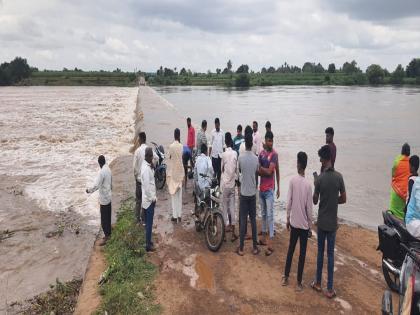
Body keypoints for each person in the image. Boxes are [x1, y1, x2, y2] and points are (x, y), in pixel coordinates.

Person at [311, 145, 346, 298]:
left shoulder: (320, 179)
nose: (319, 161)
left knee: (320, 253)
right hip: (332, 223)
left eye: (320, 158)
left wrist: (315, 184)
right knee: (330, 255)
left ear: (325, 160)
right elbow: (344, 199)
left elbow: (315, 200)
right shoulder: (339, 177)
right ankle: (330, 289)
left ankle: (318, 283)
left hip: (322, 222)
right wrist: (333, 200)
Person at [282, 152, 313, 291]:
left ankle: (286, 276)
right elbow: (309, 209)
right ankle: (299, 283)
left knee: (290, 250)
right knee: (302, 254)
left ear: (299, 164)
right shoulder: (308, 185)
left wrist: (287, 218)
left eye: (297, 162)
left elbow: (288, 202)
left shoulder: (293, 181)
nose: (296, 164)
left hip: (294, 223)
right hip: (304, 226)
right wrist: (310, 227)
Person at [237, 132, 259, 256]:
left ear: (245, 143)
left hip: (244, 192)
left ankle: (241, 248)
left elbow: (239, 171)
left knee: (243, 220)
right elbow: (256, 172)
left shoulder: (240, 157)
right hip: (252, 192)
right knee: (253, 221)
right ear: (252, 144)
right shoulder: (256, 159)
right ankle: (255, 247)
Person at [258, 131, 279, 256]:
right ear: (265, 140)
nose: (270, 143)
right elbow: (258, 171)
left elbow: (270, 172)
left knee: (270, 216)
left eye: (272, 140)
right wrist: (263, 171)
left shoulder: (274, 155)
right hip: (262, 189)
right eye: (269, 140)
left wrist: (262, 170)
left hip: (269, 190)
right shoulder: (261, 153)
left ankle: (270, 244)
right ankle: (264, 239)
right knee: (264, 214)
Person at [132, 132, 158, 225]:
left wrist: (136, 177)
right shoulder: (149, 149)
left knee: (138, 200)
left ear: (141, 139)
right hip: (146, 178)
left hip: (139, 180)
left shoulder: (137, 151)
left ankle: (137, 219)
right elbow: (157, 158)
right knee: (145, 200)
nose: (138, 140)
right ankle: (144, 220)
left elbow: (134, 167)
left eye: (138, 139)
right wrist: (152, 165)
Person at [86, 155, 112, 246]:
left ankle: (107, 237)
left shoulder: (102, 172)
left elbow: (96, 185)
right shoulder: (108, 169)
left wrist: (89, 190)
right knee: (108, 217)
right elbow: (111, 182)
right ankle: (109, 233)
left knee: (104, 219)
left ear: (99, 163)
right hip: (109, 197)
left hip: (104, 199)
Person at [221, 132, 238, 242]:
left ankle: (223, 235)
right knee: (232, 208)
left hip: (225, 184)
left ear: (225, 143)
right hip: (232, 184)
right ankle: (233, 233)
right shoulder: (235, 154)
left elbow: (222, 169)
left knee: (224, 208)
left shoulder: (224, 155)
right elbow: (236, 169)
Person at [389, 143, 411, 220]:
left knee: (393, 213)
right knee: (403, 215)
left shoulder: (397, 160)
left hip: (396, 190)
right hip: (406, 193)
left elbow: (393, 173)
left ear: (401, 151)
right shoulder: (411, 163)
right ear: (409, 152)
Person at [141, 147, 157, 252]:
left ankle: (148, 241)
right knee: (149, 223)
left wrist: (152, 167)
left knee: (148, 223)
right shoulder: (146, 169)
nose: (152, 157)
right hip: (148, 200)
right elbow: (147, 187)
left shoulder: (146, 165)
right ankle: (148, 245)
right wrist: (152, 199)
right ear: (147, 156)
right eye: (151, 156)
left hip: (146, 199)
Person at [167, 128, 184, 223]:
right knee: (179, 196)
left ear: (174, 135)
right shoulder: (181, 146)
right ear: (179, 135)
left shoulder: (171, 146)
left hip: (173, 173)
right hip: (180, 173)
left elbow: (169, 157)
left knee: (173, 195)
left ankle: (175, 215)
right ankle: (179, 215)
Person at [210, 118, 224, 183]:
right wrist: (208, 156)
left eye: (218, 125)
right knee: (214, 171)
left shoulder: (222, 132)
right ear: (215, 125)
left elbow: (223, 144)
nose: (217, 126)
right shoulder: (212, 132)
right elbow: (210, 144)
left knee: (219, 171)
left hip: (220, 155)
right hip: (214, 155)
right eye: (216, 125)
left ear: (219, 124)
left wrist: (224, 155)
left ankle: (218, 184)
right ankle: (214, 184)